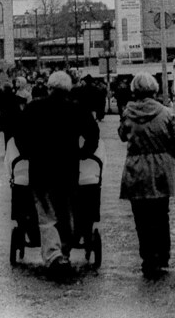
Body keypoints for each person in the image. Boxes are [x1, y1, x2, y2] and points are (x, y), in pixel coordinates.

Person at [15, 71, 99, 279]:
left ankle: (53, 255)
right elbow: (93, 134)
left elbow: (20, 134)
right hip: (67, 168)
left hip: (40, 167)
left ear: (49, 87)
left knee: (46, 213)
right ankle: (65, 252)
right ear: (69, 89)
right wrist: (84, 153)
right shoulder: (77, 109)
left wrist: (26, 152)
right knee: (66, 211)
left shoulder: (34, 107)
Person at [118, 73, 175, 278]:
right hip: (160, 168)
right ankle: (162, 256)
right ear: (155, 89)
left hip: (136, 168)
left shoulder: (128, 113)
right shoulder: (166, 113)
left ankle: (147, 258)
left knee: (141, 217)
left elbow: (123, 135)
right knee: (161, 213)